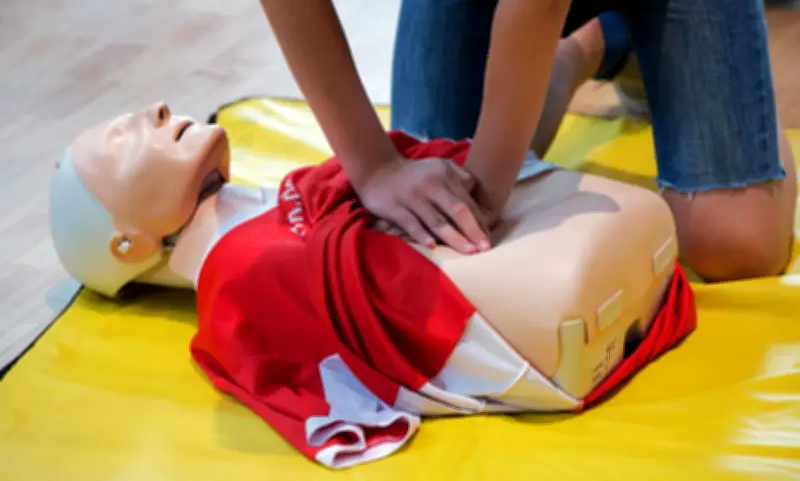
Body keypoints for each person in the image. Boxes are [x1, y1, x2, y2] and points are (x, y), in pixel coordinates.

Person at [49, 103, 694, 468]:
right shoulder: (236, 281)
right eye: (123, 138)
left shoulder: (281, 202)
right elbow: (303, 365)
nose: (157, 111)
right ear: (127, 242)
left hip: (560, 284)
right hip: (544, 308)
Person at [245, 0, 797, 283]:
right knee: (436, 186)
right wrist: (377, 167)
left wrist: (477, 211)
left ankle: (700, 71)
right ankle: (598, 40)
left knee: (735, 247)